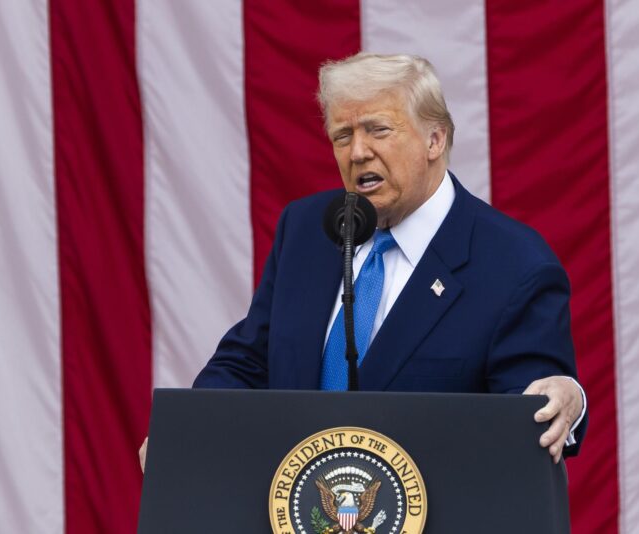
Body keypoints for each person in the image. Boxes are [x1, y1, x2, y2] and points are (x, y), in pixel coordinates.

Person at [140, 53, 586, 471]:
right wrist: (187, 429)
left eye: (378, 130)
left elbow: (537, 403)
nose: (357, 152)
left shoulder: (513, 264)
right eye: (342, 135)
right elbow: (251, 360)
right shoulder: (306, 230)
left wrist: (568, 398)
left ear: (435, 139)